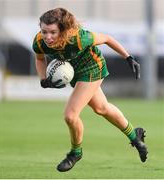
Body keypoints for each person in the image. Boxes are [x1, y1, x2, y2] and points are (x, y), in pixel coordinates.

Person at [32, 7, 148, 172]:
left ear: (63, 30)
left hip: (93, 68)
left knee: (70, 116)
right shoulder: (39, 41)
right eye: (44, 31)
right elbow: (39, 58)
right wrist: (43, 79)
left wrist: (128, 57)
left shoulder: (78, 38)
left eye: (52, 32)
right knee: (102, 108)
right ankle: (134, 135)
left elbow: (107, 38)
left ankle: (75, 153)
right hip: (76, 73)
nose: (48, 37)